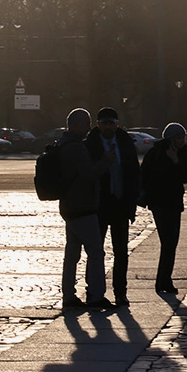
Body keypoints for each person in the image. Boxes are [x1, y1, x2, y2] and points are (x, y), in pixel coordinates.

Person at [58, 108, 115, 309]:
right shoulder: (76, 148)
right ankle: (96, 296)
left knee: (72, 253)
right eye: (86, 123)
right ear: (75, 125)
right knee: (96, 251)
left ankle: (69, 295)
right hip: (82, 206)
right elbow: (88, 174)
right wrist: (105, 162)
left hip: (70, 205)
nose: (89, 128)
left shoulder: (64, 144)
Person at [85, 106, 140, 307]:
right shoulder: (90, 145)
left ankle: (120, 292)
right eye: (104, 123)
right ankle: (93, 291)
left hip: (120, 204)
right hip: (99, 205)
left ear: (117, 124)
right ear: (98, 125)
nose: (108, 127)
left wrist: (132, 202)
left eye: (111, 123)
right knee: (95, 251)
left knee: (121, 252)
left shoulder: (125, 143)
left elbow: (133, 173)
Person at [140, 122, 187, 295]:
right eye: (178, 137)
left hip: (174, 203)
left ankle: (164, 280)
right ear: (170, 139)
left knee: (171, 243)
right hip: (160, 203)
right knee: (168, 242)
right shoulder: (156, 153)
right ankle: (163, 281)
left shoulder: (182, 153)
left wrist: (176, 160)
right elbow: (148, 175)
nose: (182, 140)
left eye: (183, 137)